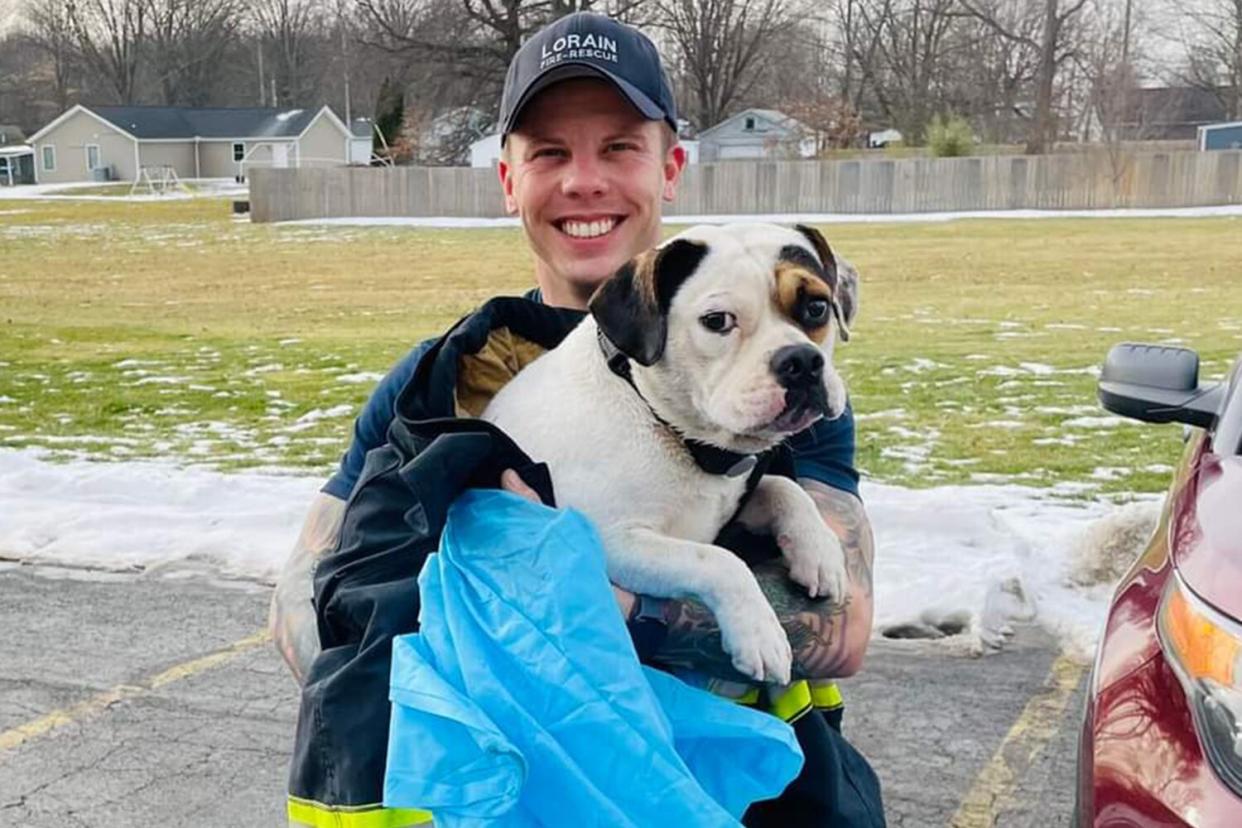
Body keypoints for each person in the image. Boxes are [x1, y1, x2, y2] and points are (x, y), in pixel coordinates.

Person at [274, 11, 883, 827]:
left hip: (737, 789)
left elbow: (840, 628)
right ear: (508, 180)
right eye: (550, 152)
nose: (584, 181)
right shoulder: (443, 380)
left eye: (619, 147)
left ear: (670, 166)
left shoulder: (775, 394)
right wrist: (469, 621)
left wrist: (615, 608)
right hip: (518, 790)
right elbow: (302, 610)